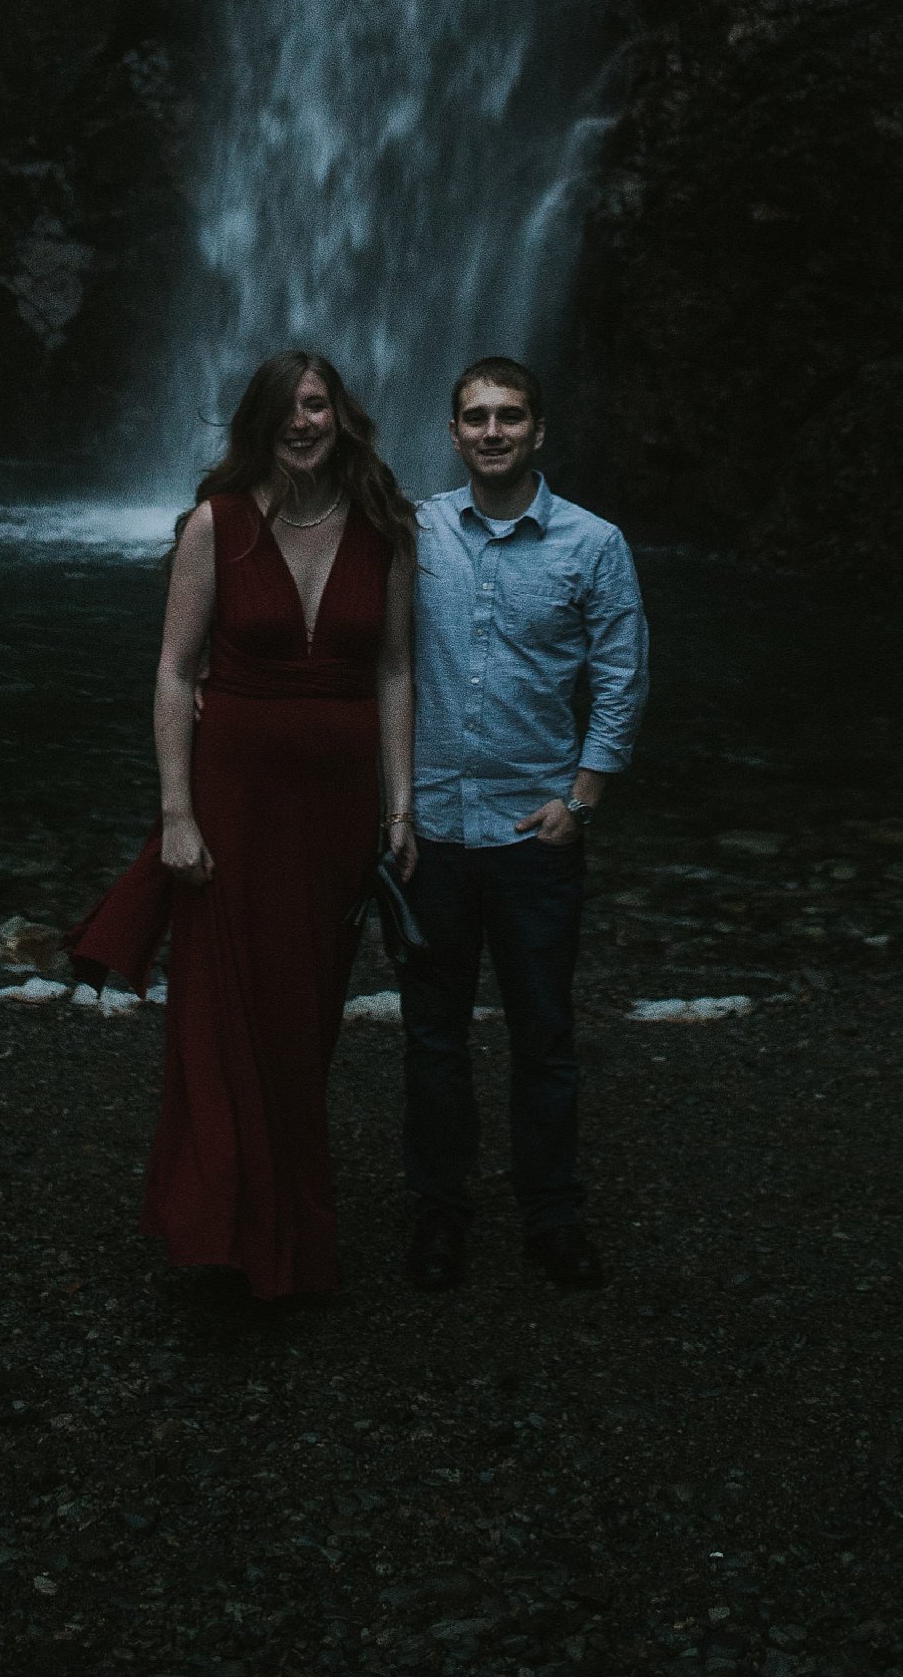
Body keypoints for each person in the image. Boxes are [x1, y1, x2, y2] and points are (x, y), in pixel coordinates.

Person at [66, 352, 416, 1300]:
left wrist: (399, 806)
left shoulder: (385, 525)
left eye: (319, 403)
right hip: (231, 804)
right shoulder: (213, 525)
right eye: (287, 407)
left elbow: (392, 669)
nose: (304, 420)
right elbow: (177, 671)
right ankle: (222, 1235)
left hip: (337, 812)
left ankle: (289, 1229)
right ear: (259, 420)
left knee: (303, 1023)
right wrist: (175, 811)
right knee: (223, 1015)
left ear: (343, 414)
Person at [400, 356, 648, 1293]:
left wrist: (581, 800)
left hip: (534, 832)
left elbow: (622, 678)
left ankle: (553, 1215)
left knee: (543, 1034)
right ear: (454, 431)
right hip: (429, 832)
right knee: (434, 1037)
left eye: (510, 416)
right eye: (476, 417)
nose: (493, 431)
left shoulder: (594, 543)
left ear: (538, 429)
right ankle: (440, 1215)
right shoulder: (413, 533)